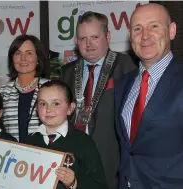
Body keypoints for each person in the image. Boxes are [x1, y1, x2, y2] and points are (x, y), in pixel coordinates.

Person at [60, 11, 137, 189]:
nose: (88, 44)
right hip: (74, 162)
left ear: (108, 36)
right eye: (83, 38)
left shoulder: (128, 67)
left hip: (112, 162)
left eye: (94, 37)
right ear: (76, 41)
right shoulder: (67, 72)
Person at [115, 3, 183, 189]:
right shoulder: (123, 84)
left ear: (171, 31)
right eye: (137, 28)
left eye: (154, 26)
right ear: (130, 37)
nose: (145, 36)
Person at [25, 80, 107, 189]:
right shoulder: (28, 143)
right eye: (43, 104)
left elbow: (100, 185)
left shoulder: (83, 142)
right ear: (36, 107)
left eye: (56, 103)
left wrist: (73, 183)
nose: (48, 109)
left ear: (70, 108)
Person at [0, 34, 49, 142]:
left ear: (38, 58)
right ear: (12, 58)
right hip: (11, 154)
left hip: (44, 153)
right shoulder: (3, 92)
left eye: (29, 53)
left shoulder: (50, 89)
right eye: (18, 53)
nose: (23, 59)